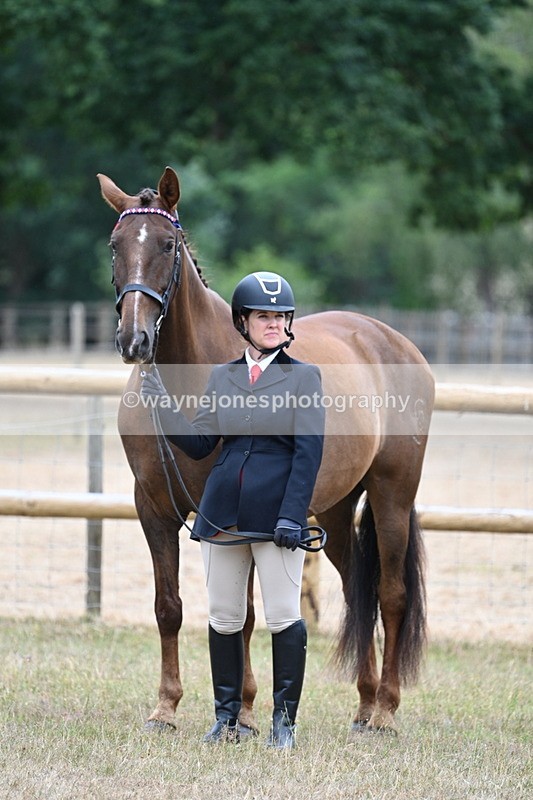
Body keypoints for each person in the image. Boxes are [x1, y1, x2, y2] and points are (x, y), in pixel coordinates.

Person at [141, 271, 324, 749]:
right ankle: (226, 719)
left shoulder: (304, 377)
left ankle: (284, 723)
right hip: (222, 510)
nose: (274, 324)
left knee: (283, 617)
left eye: (281, 316)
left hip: (276, 515)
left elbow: (308, 455)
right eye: (264, 316)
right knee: (223, 616)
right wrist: (163, 408)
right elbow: (202, 444)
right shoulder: (223, 375)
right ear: (242, 322)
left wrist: (292, 515)